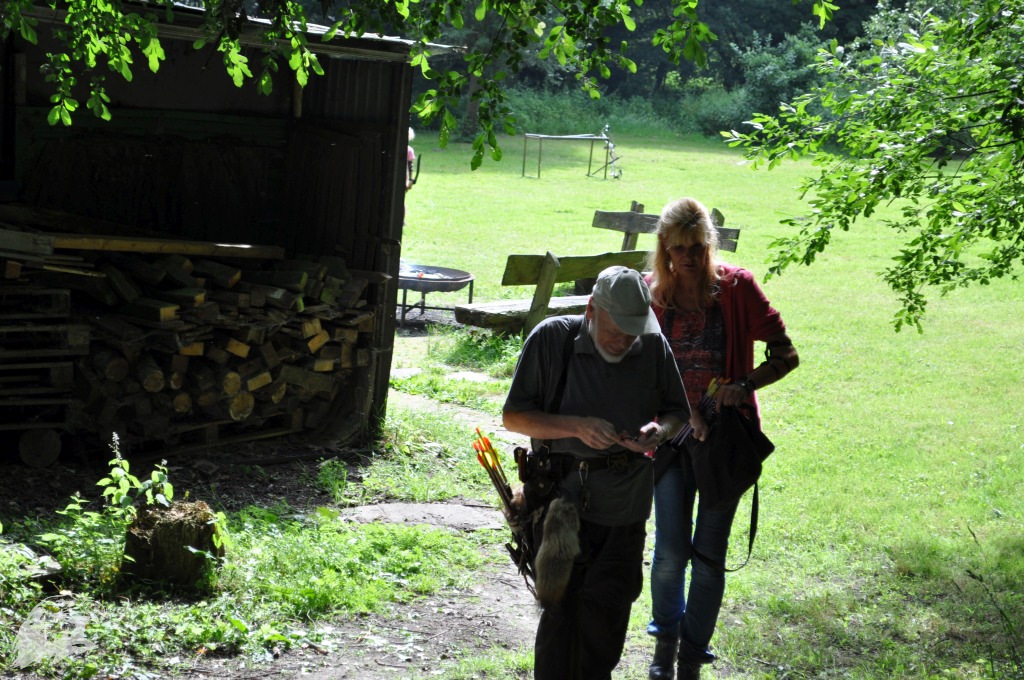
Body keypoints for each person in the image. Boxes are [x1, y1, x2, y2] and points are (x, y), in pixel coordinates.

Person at [503, 265, 690, 680]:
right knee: (560, 620)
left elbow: (680, 411)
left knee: (607, 620)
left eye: (631, 331)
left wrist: (659, 432)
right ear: (591, 309)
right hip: (560, 505)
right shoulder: (554, 339)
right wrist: (576, 426)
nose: (623, 340)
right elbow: (514, 417)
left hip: (626, 508)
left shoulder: (653, 347)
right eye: (614, 330)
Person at [644, 197, 800, 680]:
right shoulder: (652, 294)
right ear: (664, 248)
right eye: (679, 248)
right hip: (670, 439)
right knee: (670, 553)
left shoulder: (736, 288)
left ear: (710, 244)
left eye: (698, 246)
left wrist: (744, 384)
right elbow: (642, 367)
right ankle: (664, 648)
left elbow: (786, 354)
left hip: (723, 441)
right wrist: (685, 411)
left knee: (709, 559)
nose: (689, 257)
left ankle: (692, 657)